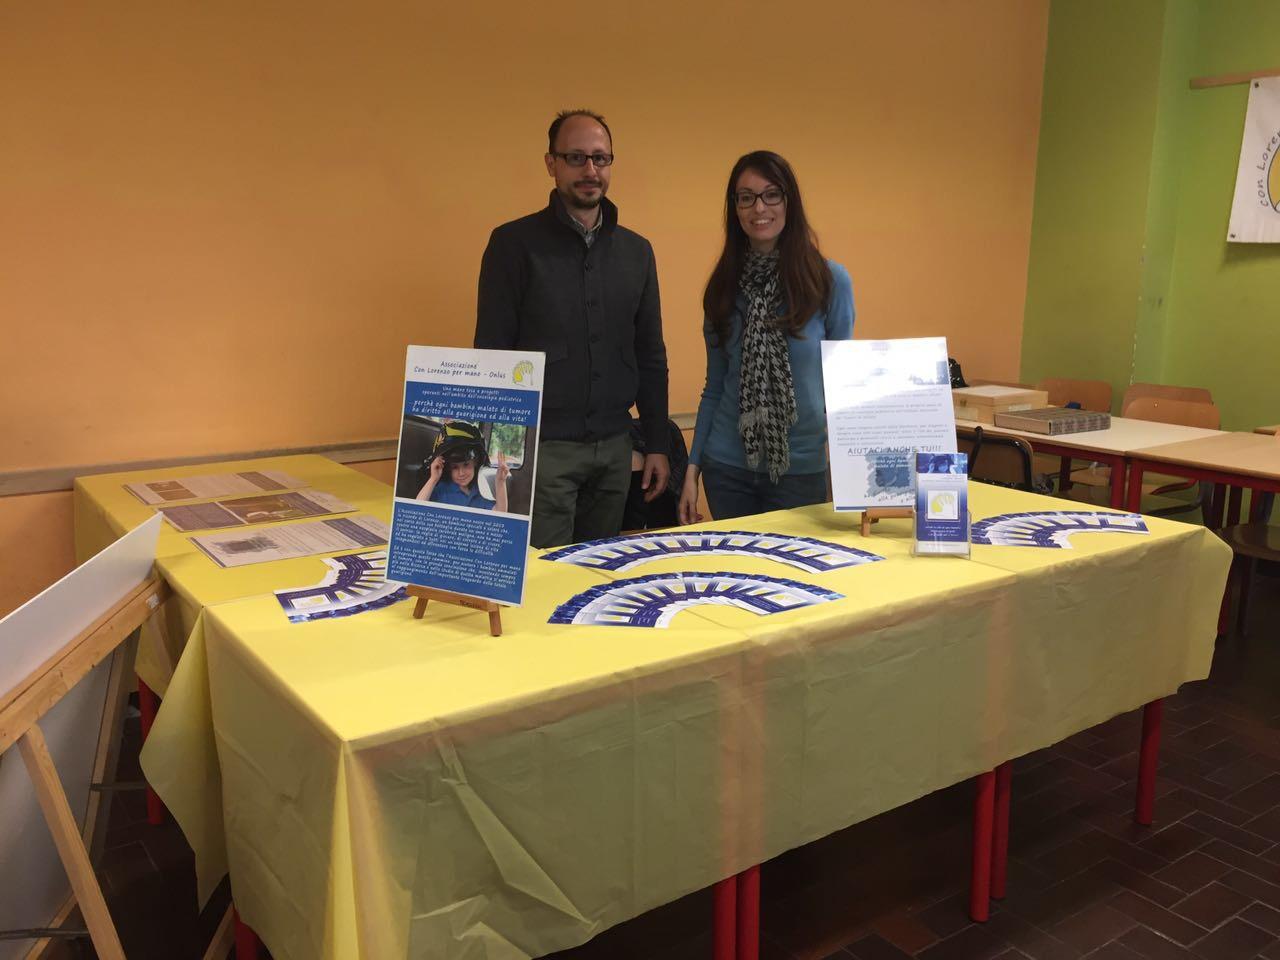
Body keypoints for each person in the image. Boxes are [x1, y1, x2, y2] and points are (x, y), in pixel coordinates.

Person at [475, 109, 670, 548]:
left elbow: (650, 354)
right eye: (576, 157)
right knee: (546, 573)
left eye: (601, 158)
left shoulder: (637, 252)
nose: (590, 170)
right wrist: (499, 450)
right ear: (552, 164)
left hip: (615, 448)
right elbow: (492, 353)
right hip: (543, 451)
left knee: (602, 567)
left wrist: (657, 443)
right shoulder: (513, 245)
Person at [678, 151, 855, 524]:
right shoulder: (723, 288)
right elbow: (715, 387)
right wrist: (692, 471)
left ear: (789, 202)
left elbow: (842, 388)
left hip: (801, 470)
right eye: (746, 197)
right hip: (727, 468)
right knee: (735, 563)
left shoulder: (828, 282)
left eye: (771, 194)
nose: (759, 208)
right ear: (735, 208)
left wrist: (849, 475)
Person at [416, 421, 510, 512]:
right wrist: (433, 479)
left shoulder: (480, 490)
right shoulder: (442, 489)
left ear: (476, 462)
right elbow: (417, 508)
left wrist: (500, 481)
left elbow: (499, 513)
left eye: (466, 465)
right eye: (455, 467)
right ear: (447, 468)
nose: (461, 473)